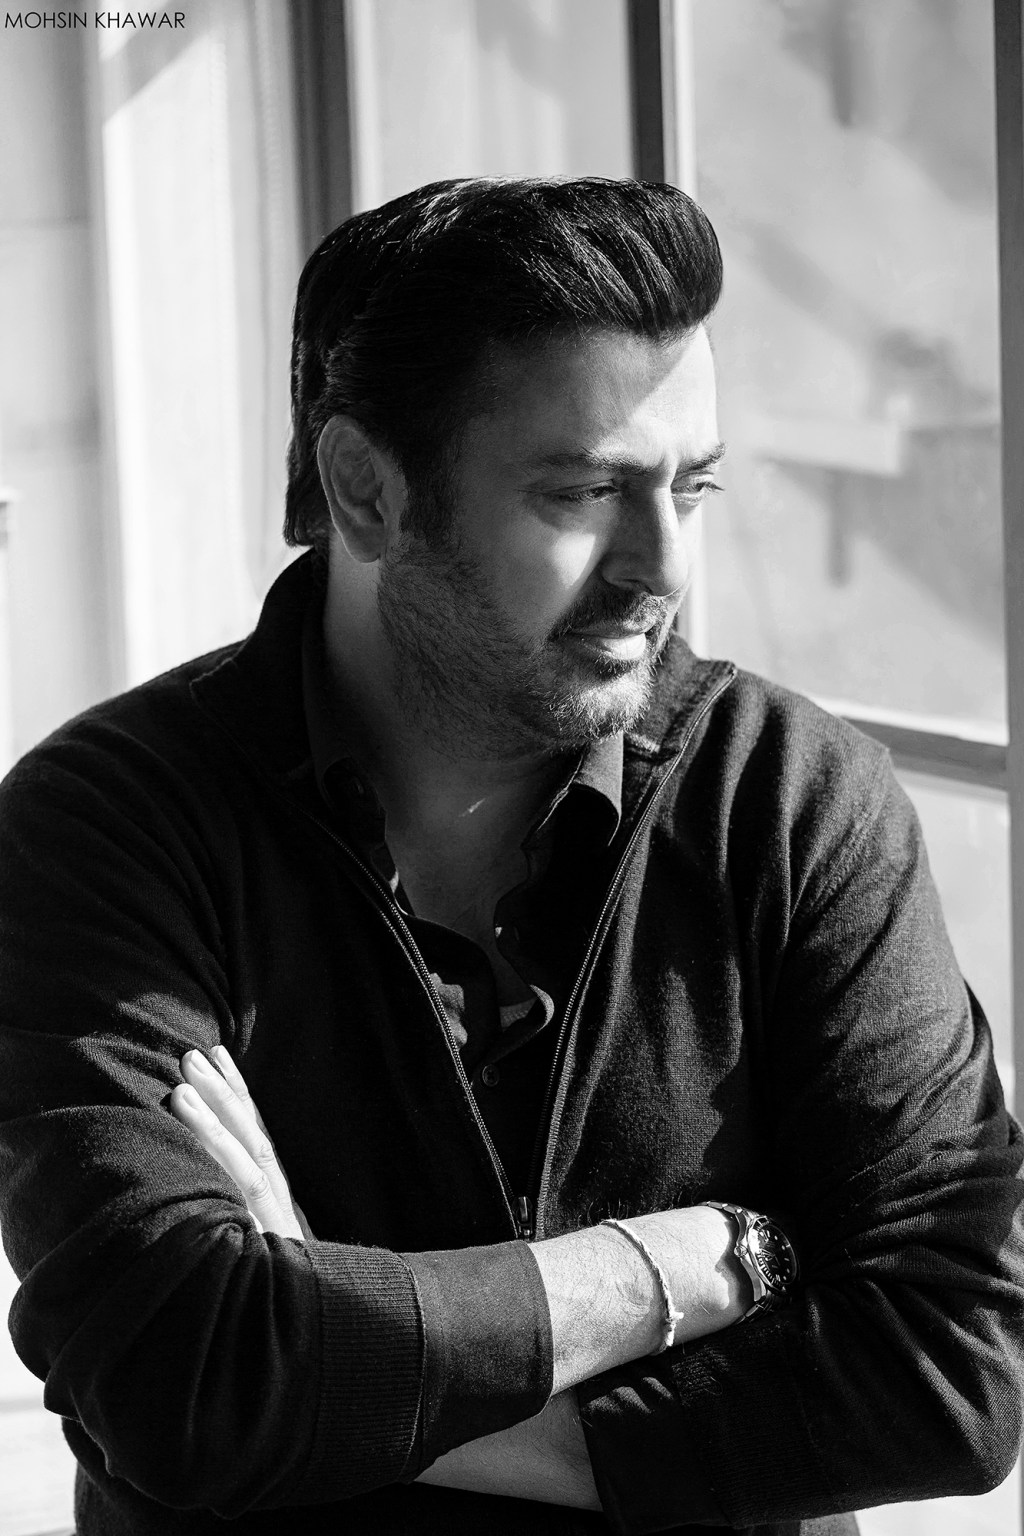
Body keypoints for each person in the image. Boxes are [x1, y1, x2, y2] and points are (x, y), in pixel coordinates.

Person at [0, 177, 1022, 1536]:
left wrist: (324, 1368)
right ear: (367, 488)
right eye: (584, 491)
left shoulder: (797, 800)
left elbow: (952, 1375)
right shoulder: (101, 823)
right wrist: (678, 1270)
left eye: (692, 487)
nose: (662, 568)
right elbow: (172, 1378)